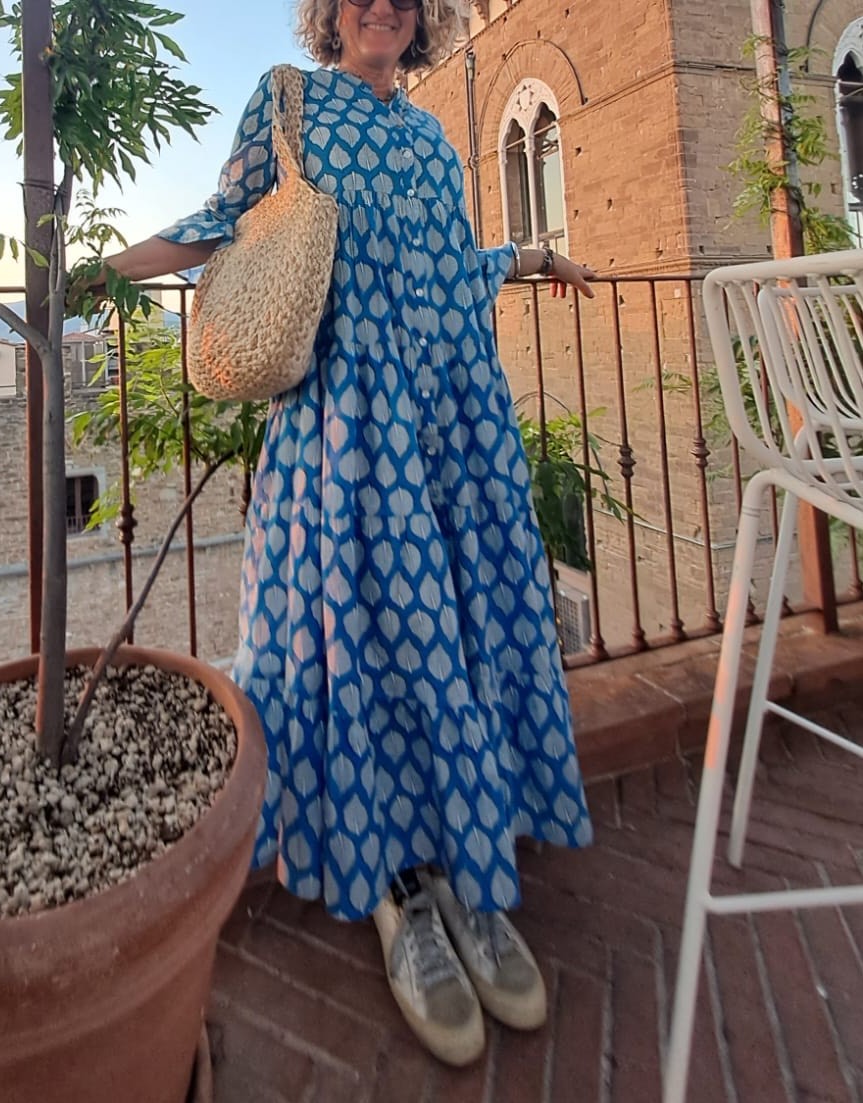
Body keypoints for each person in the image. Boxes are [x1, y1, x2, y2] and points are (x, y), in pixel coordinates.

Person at [93, 0, 595, 1068]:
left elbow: (448, 271)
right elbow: (219, 220)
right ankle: (397, 889)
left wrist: (530, 258)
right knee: (359, 637)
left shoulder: (426, 134)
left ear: (420, 20)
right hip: (344, 424)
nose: (385, 6)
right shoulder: (292, 106)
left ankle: (468, 870)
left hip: (453, 420)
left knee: (451, 631)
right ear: (330, 14)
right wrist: (94, 272)